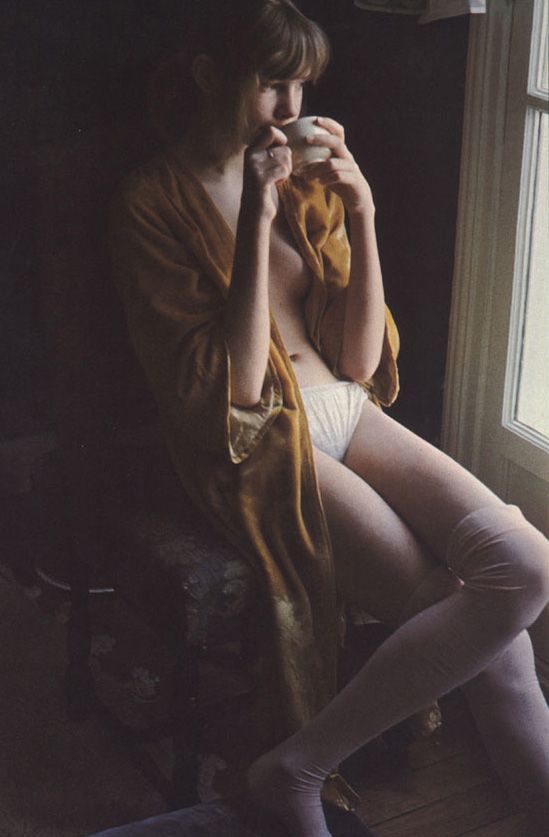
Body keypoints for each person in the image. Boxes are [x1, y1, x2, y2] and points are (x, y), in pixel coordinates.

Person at [109, 1, 549, 835]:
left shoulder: (304, 181)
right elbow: (235, 394)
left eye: (301, 85)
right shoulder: (151, 203)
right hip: (259, 443)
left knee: (524, 563)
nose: (289, 107)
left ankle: (293, 766)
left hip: (342, 409)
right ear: (210, 76)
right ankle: (302, 769)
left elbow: (356, 363)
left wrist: (362, 212)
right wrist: (255, 216)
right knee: (493, 633)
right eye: (271, 83)